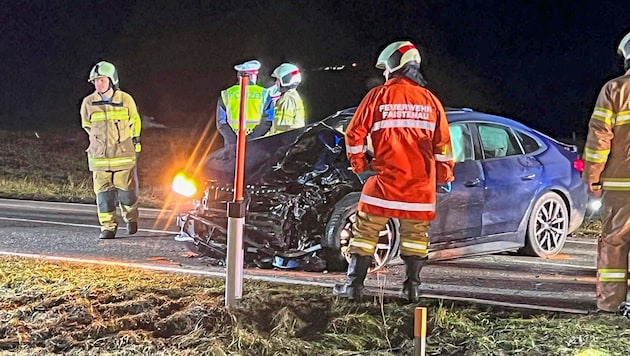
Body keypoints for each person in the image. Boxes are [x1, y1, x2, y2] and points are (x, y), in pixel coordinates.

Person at [333, 41, 455, 302]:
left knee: (365, 233)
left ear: (393, 67)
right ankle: (412, 289)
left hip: (384, 181)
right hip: (419, 185)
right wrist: (443, 177)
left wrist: (360, 166)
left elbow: (354, 134)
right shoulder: (431, 101)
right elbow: (443, 145)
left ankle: (354, 288)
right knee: (415, 237)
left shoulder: (378, 96)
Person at [582, 30, 630, 313]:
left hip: (621, 188)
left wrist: (593, 177)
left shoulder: (614, 90)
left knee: (615, 243)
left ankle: (611, 306)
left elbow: (600, 136)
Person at [80, 61, 142, 239]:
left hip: (123, 157)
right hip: (99, 159)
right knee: (103, 195)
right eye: (95, 81)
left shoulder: (125, 99)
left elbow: (134, 122)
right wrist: (98, 144)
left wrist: (135, 143)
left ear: (111, 80)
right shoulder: (88, 103)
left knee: (127, 194)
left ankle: (131, 218)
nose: (98, 84)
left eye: (102, 80)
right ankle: (108, 227)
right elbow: (87, 126)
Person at [216, 60, 274, 146]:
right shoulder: (264, 94)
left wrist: (234, 140)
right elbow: (268, 120)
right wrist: (251, 138)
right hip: (257, 144)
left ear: (239, 76)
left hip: (232, 145)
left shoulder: (226, 94)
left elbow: (221, 123)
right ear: (253, 76)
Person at [268, 63, 306, 135]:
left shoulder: (288, 98)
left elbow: (281, 127)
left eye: (277, 80)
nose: (276, 83)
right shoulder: (293, 96)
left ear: (285, 80)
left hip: (281, 142)